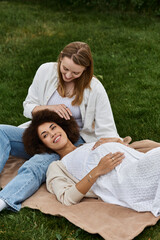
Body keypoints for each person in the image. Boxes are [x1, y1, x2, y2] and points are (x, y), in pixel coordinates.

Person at [0, 41, 125, 212]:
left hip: (71, 139)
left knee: (37, 164)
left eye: (75, 72)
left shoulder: (95, 89)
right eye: (65, 69)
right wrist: (47, 108)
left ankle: (5, 200)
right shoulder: (45, 71)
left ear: (85, 70)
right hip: (41, 131)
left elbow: (107, 129)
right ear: (60, 58)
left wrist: (111, 145)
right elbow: (28, 105)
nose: (68, 75)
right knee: (1, 131)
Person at [23, 109, 160, 217]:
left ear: (63, 127)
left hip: (138, 161)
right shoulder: (57, 166)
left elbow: (129, 153)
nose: (52, 134)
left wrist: (118, 143)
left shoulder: (87, 144)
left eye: (53, 127)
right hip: (126, 179)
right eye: (45, 135)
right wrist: (98, 170)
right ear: (42, 145)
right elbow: (67, 198)